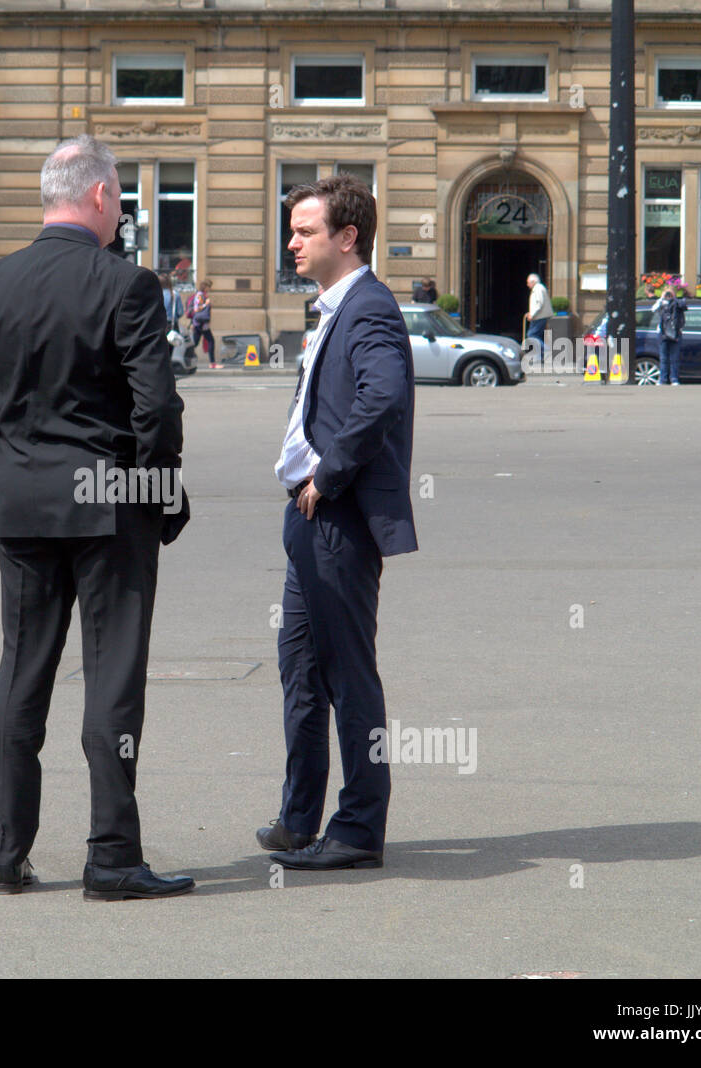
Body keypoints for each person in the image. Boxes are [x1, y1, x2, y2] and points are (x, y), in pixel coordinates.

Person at [0, 134, 194, 901]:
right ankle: (112, 857)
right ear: (100, 197)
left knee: (22, 672)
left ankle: (9, 853)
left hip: (22, 502)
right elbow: (157, 407)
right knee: (112, 680)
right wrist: (158, 493)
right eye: (121, 198)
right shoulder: (127, 284)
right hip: (111, 506)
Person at [259, 172, 417, 871]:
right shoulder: (333, 309)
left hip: (338, 519)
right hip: (307, 519)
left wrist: (329, 473)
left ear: (346, 237)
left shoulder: (372, 308)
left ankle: (357, 829)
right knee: (300, 669)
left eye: (305, 230)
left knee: (349, 675)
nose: (291, 241)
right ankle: (300, 816)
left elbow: (382, 396)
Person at [652, 285, 687, 386]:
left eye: (670, 293)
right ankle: (663, 379)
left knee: (674, 358)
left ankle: (674, 379)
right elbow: (653, 309)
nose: (668, 295)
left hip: (676, 333)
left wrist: (674, 298)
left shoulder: (677, 303)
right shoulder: (661, 304)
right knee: (663, 358)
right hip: (663, 333)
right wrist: (661, 299)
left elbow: (684, 306)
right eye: (667, 293)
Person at [188, 279, 216, 368]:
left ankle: (187, 357)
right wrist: (206, 304)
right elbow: (196, 309)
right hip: (201, 324)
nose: (210, 289)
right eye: (209, 287)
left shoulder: (202, 295)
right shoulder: (200, 295)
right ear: (205, 287)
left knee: (195, 343)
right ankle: (212, 363)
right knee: (211, 341)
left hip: (200, 324)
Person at [525, 272, 552, 346]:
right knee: (535, 335)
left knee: (531, 335)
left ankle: (545, 350)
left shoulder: (538, 289)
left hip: (539, 317)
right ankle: (541, 352)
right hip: (538, 316)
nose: (527, 285)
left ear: (533, 282)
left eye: (528, 283)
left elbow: (539, 303)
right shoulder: (539, 288)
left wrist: (532, 314)